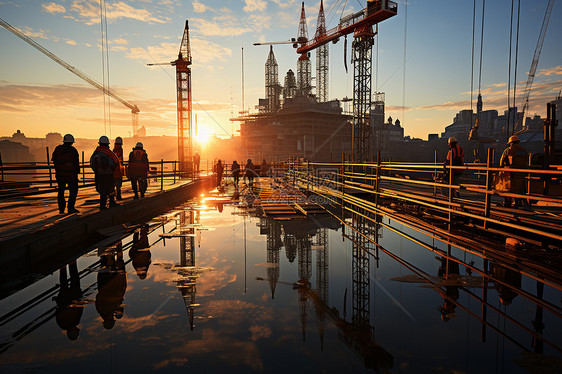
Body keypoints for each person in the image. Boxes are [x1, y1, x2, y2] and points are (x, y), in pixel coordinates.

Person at [51, 134, 80, 214]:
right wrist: (76, 173)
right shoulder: (73, 150)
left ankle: (61, 209)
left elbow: (54, 161)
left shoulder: (57, 149)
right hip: (71, 176)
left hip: (60, 175)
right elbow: (76, 164)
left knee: (61, 191)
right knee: (73, 191)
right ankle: (70, 208)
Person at [54, 261, 83, 340]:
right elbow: (57, 312)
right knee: (63, 281)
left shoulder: (75, 321)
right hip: (62, 298)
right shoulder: (61, 324)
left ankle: (72, 263)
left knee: (74, 278)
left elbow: (79, 307)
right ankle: (63, 266)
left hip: (73, 296)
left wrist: (80, 297)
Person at [90, 136, 121, 210]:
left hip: (98, 174)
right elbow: (115, 163)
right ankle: (112, 203)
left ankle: (102, 205)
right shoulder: (109, 153)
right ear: (107, 144)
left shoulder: (96, 152)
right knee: (111, 189)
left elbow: (92, 164)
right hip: (108, 174)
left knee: (102, 190)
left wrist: (97, 171)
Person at [500, 135, 528, 208]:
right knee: (519, 188)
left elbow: (502, 160)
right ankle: (518, 202)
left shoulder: (508, 150)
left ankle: (508, 202)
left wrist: (501, 168)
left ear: (510, 143)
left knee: (507, 188)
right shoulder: (523, 150)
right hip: (521, 172)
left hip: (510, 172)